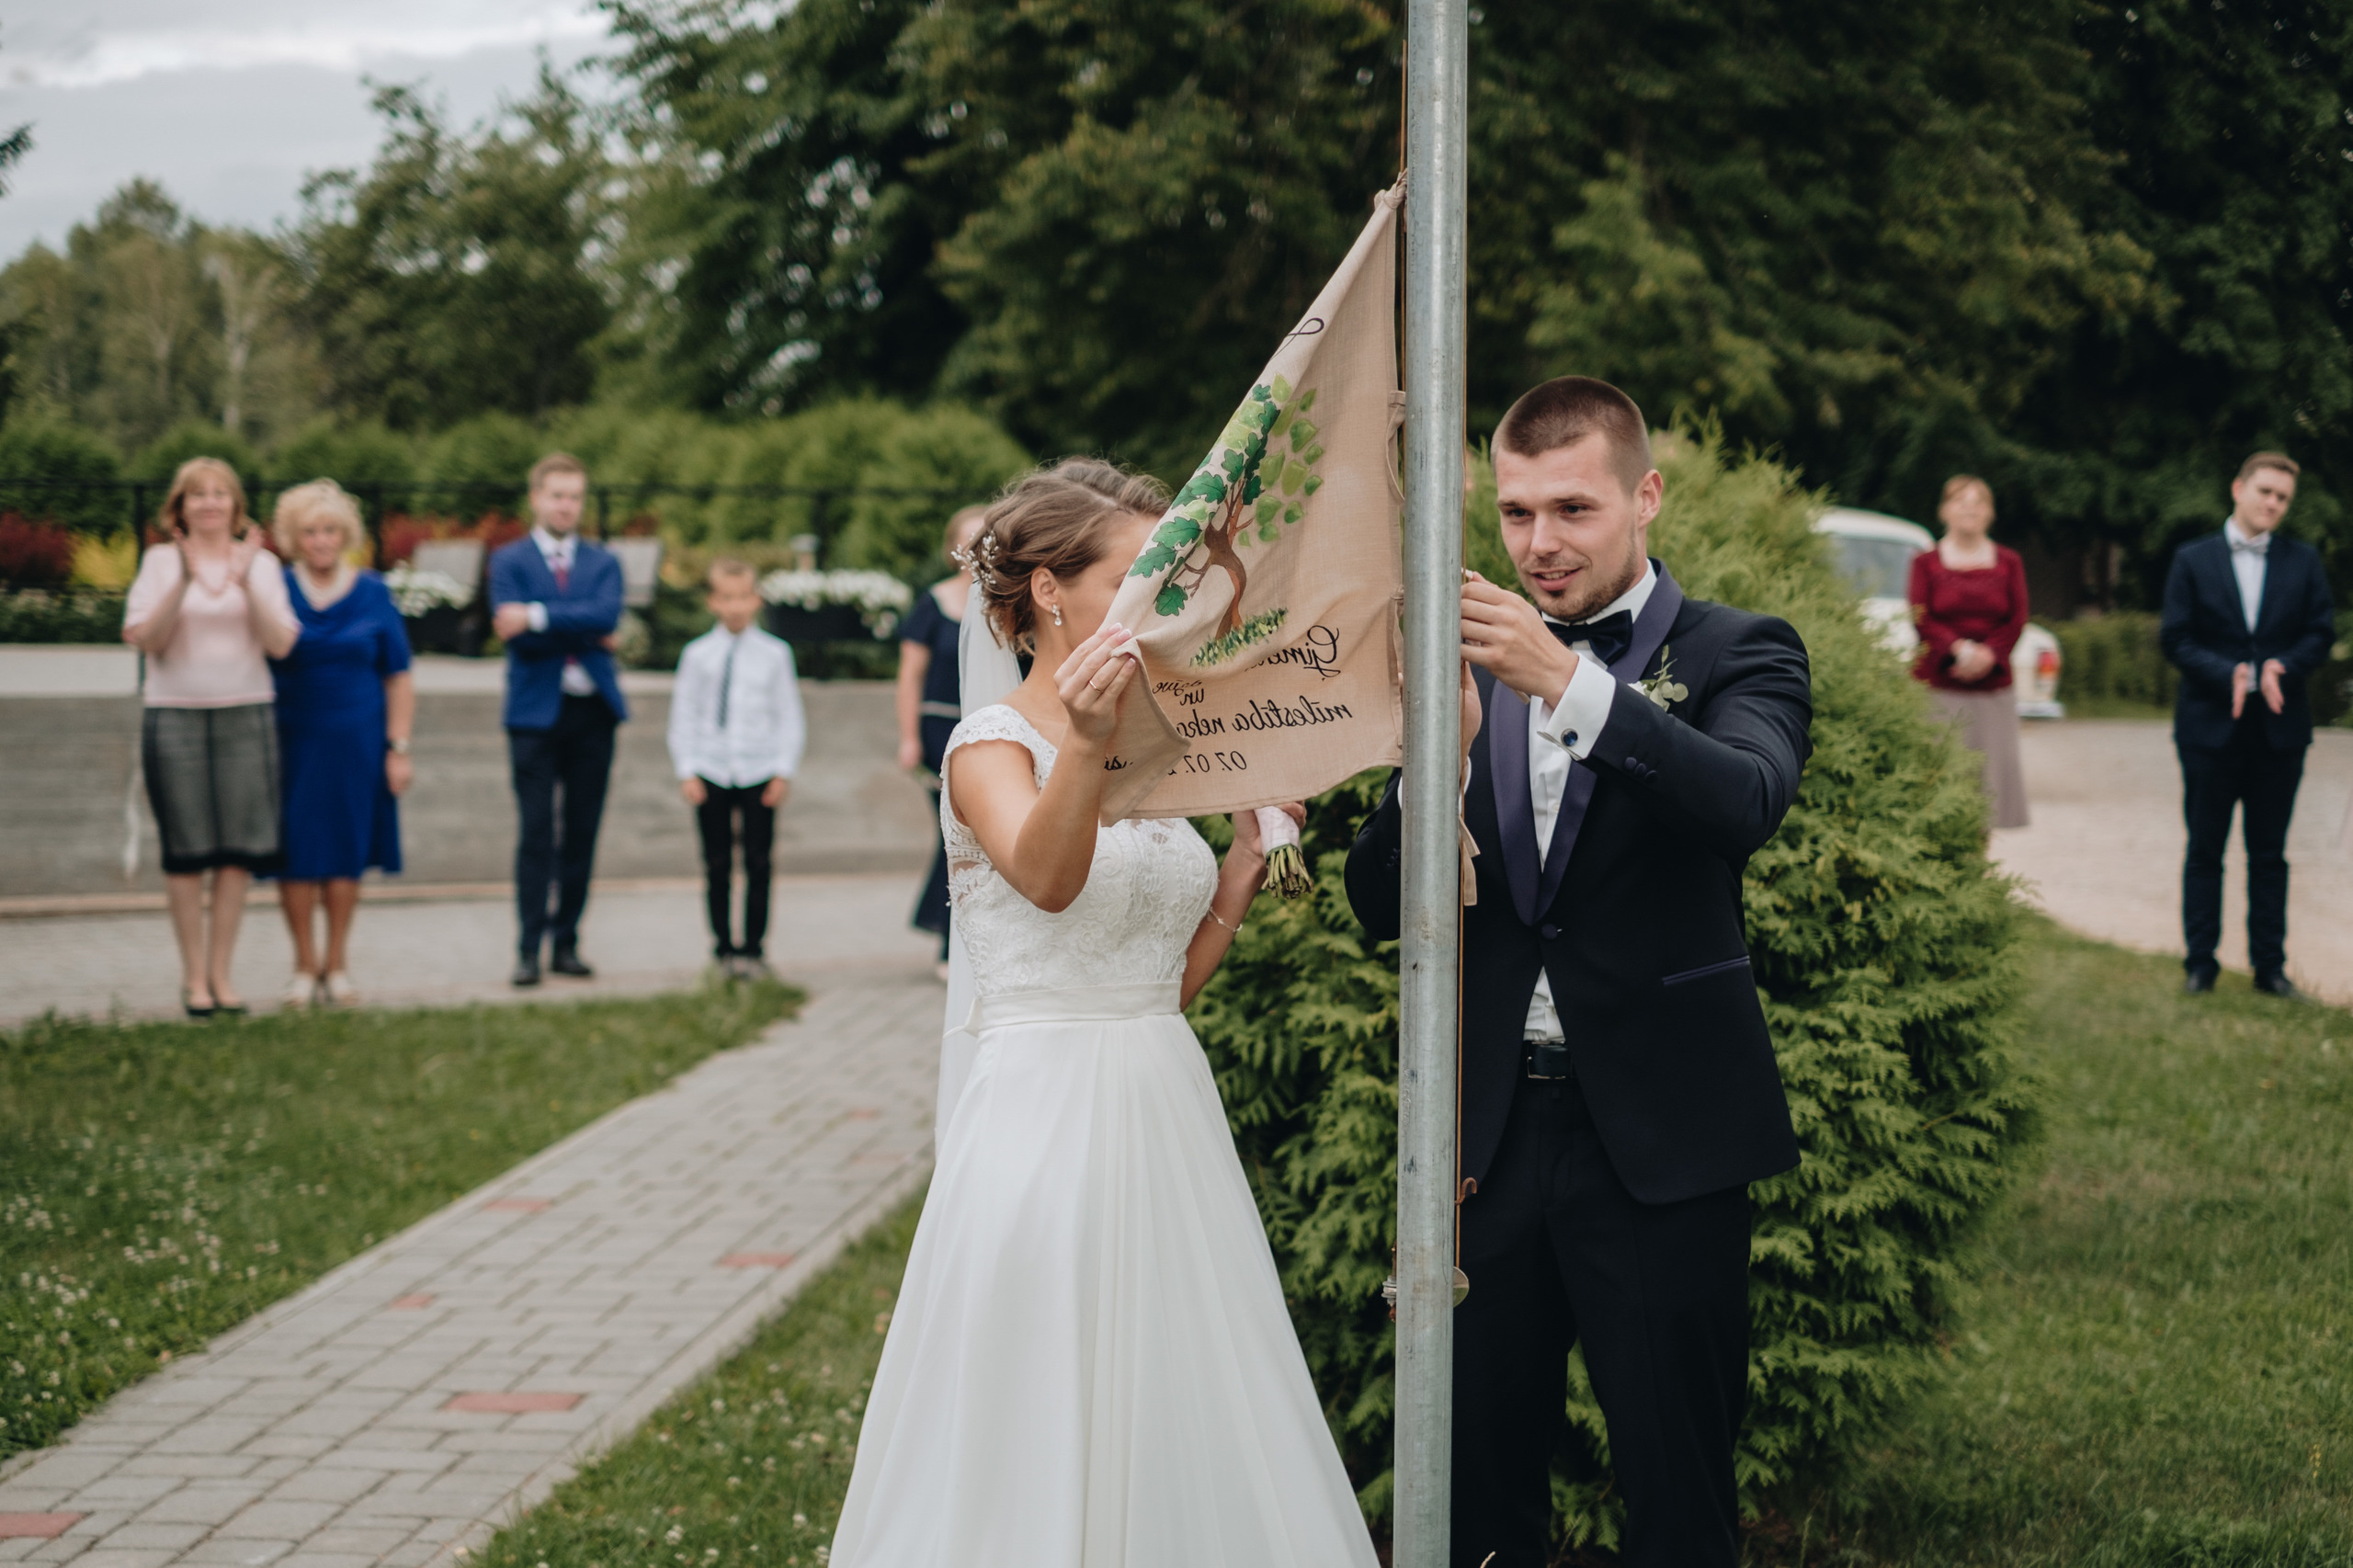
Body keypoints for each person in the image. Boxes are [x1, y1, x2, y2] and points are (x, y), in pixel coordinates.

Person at [828, 463, 1379, 1568]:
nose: (1156, 601)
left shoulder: (1152, 741)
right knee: (1042, 1388)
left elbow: (1151, 984)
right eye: (1134, 577)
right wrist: (1080, 743)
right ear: (1048, 591)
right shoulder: (990, 743)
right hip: (1043, 1121)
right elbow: (1047, 881)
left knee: (1176, 1380)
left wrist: (1236, 871)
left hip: (1163, 1104)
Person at [1346, 377, 1813, 1568]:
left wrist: (1565, 683)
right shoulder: (1467, 660)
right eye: (1514, 513)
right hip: (1485, 1147)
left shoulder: (1739, 649)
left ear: (1644, 496)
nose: (1540, 543)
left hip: (1662, 1144)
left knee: (1675, 1483)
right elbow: (1370, 904)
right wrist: (1430, 768)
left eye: (1573, 508)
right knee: (1479, 1488)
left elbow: (1743, 800)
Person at [123, 458, 302, 1017]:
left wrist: (246, 581)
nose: (209, 502)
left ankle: (223, 977)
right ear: (179, 507)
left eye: (220, 493)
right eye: (196, 494)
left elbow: (281, 645)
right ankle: (193, 977)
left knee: (236, 853)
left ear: (235, 505)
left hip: (245, 716)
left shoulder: (264, 566)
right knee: (186, 853)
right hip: (175, 716)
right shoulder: (158, 562)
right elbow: (145, 639)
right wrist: (182, 578)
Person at [2159, 451, 2336, 1000]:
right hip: (2208, 729)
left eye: (2282, 498)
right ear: (2238, 489)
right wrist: (2227, 672)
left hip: (2279, 733)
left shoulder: (2303, 562)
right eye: (2265, 491)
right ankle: (2200, 965)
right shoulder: (2192, 559)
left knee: (2269, 854)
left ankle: (2270, 969)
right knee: (2205, 849)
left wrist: (2284, 666)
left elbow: (2320, 632)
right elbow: (2176, 638)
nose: (2273, 504)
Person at [267, 480, 416, 1008]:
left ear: (346, 534)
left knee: (347, 851)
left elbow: (398, 675)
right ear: (293, 536)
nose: (321, 540)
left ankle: (338, 964)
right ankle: (303, 966)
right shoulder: (276, 587)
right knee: (297, 852)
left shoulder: (374, 591)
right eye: (310, 531)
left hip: (358, 740)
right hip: (291, 739)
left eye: (330, 529)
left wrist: (398, 747)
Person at [489, 453, 628, 987]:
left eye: (574, 496)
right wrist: (578, 626)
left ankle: (566, 941)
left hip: (593, 711)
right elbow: (511, 630)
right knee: (536, 833)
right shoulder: (509, 560)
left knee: (582, 831)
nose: (567, 505)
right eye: (557, 495)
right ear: (536, 498)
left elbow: (606, 615)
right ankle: (528, 948)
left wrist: (539, 615)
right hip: (534, 715)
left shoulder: (603, 562)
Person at [667, 558, 806, 980]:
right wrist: (687, 769)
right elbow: (684, 715)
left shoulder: (775, 654)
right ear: (713, 602)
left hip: (758, 769)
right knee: (716, 862)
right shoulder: (697, 655)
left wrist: (782, 770)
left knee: (759, 861)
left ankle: (754, 948)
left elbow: (788, 715)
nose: (735, 607)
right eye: (726, 598)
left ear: (756, 600)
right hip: (711, 769)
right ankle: (723, 947)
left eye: (743, 597)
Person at [1906, 474, 2031, 830]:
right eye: (1961, 500)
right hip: (1938, 689)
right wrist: (1958, 650)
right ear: (1944, 510)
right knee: (1938, 779)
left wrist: (1988, 655)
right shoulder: (1925, 563)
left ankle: (1977, 870)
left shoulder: (2009, 562)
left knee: (1986, 786)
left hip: (1991, 691)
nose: (1970, 508)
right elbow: (1921, 617)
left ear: (1990, 513)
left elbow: (2017, 617)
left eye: (1979, 501)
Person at [896, 504, 988, 973]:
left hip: (987, 729)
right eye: (967, 539)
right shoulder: (932, 604)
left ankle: (950, 928)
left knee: (974, 833)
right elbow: (910, 676)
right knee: (953, 833)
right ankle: (948, 941)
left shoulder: (1002, 600)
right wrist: (909, 736)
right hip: (940, 728)